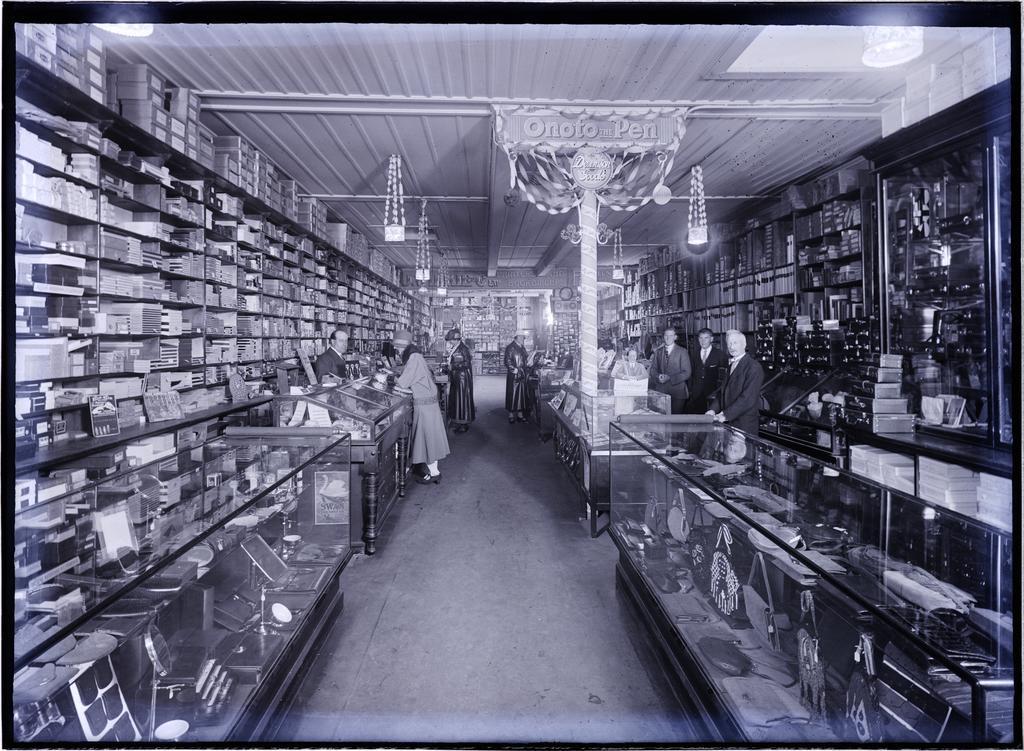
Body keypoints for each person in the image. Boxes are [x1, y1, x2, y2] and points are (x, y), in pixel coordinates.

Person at [392, 329, 449, 484]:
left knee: (428, 438)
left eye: (397, 347)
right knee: (430, 438)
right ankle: (433, 471)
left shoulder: (414, 358)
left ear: (402, 346)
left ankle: (434, 473)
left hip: (425, 405)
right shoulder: (415, 356)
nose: (396, 350)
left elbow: (404, 382)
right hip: (427, 403)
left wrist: (393, 380)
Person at [706, 329, 765, 435]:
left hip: (743, 425)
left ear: (744, 344)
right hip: (728, 423)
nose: (731, 347)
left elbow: (747, 399)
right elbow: (723, 392)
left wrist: (724, 415)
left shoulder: (754, 367)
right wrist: (712, 410)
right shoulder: (731, 365)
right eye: (729, 344)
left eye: (735, 343)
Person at [648, 326, 691, 414]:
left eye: (671, 336)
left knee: (675, 420)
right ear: (663, 337)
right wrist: (657, 376)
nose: (668, 338)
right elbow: (653, 370)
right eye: (666, 336)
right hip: (661, 392)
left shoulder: (682, 351)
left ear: (675, 337)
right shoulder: (658, 352)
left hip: (678, 392)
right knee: (661, 418)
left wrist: (670, 378)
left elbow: (687, 372)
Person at [686, 327, 728, 414]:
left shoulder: (720, 354)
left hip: (713, 394)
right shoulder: (694, 354)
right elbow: (690, 374)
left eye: (706, 338)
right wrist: (691, 390)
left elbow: (724, 377)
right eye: (701, 338)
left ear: (711, 339)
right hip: (696, 394)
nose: (703, 341)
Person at [444, 328, 475, 434]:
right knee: (458, 400)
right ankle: (458, 420)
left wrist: (453, 366)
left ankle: (464, 423)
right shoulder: (456, 347)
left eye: (451, 340)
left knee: (462, 400)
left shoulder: (463, 349)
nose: (450, 342)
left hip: (462, 378)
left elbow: (466, 363)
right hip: (457, 377)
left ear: (456, 339)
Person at [504, 332, 529, 423]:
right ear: (517, 337)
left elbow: (526, 358)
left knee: (521, 395)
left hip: (522, 373)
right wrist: (513, 369)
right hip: (514, 375)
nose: (523, 339)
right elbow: (507, 361)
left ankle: (520, 414)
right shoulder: (510, 347)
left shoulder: (522, 347)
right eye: (522, 337)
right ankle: (511, 414)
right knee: (512, 394)